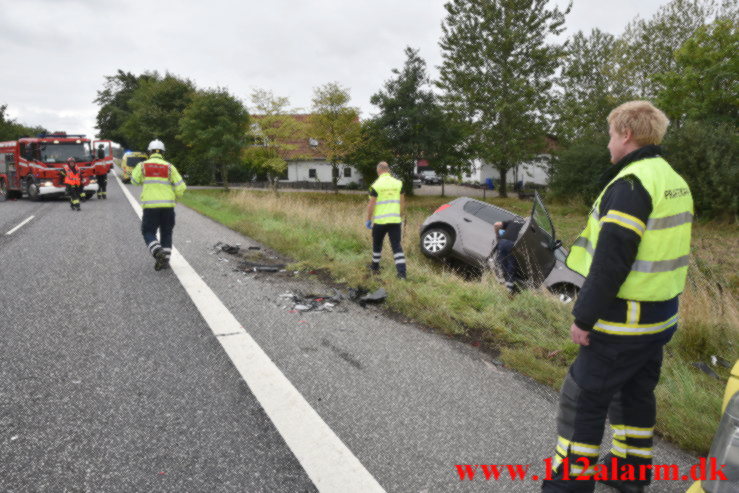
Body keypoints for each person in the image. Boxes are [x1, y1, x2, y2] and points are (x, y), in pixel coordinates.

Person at [541, 101, 693, 493]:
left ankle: (568, 486)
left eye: (610, 134)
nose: (608, 143)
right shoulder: (672, 179)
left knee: (582, 400)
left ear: (626, 134)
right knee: (634, 393)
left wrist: (583, 317)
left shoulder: (630, 184)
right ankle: (630, 473)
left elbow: (612, 260)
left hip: (620, 321)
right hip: (659, 319)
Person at [130, 139, 187, 271]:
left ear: (149, 152)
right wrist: (175, 198)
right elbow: (181, 187)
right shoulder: (169, 167)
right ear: (163, 152)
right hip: (168, 207)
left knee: (148, 231)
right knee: (166, 232)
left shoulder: (143, 166)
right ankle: (165, 261)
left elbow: (134, 181)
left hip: (151, 208)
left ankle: (157, 252)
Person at [365, 161, 407, 279]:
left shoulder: (376, 185)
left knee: (377, 244)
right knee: (396, 246)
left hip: (380, 222)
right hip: (394, 221)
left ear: (378, 171)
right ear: (388, 170)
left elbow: (371, 205)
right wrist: (399, 215)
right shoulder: (398, 183)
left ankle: (375, 267)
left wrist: (368, 219)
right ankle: (402, 274)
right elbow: (402, 202)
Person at [492, 219, 525, 293]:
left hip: (503, 242)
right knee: (511, 267)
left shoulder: (512, 222)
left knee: (501, 264)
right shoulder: (527, 226)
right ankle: (508, 290)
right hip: (513, 245)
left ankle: (500, 285)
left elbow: (496, 224)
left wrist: (498, 236)